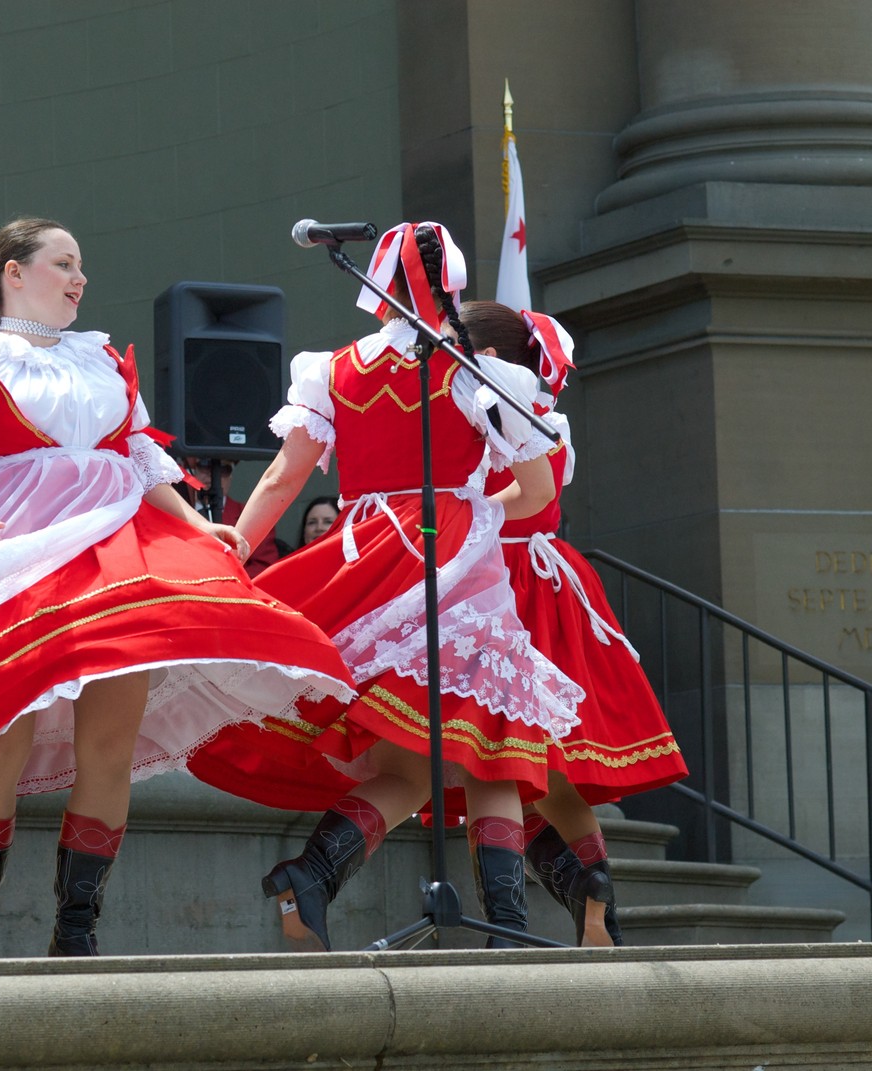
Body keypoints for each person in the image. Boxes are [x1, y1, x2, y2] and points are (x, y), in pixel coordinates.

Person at [0, 217, 354, 958]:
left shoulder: (103, 357)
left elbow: (142, 462)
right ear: (13, 272)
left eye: (82, 265)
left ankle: (76, 935)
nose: (79, 277)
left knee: (108, 748)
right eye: (63, 262)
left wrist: (200, 527)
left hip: (118, 554)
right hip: (18, 556)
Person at [187, 221, 584, 950]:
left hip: (365, 558)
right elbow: (533, 489)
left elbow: (283, 475)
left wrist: (239, 544)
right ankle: (506, 928)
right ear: (453, 288)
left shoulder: (334, 369)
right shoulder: (476, 368)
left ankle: (312, 872)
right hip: (455, 564)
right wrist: (476, 509)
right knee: (494, 742)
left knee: (409, 764)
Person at [459, 301, 687, 946]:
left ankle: (508, 929)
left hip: (498, 585)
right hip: (552, 581)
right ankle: (596, 896)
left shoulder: (481, 415)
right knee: (550, 774)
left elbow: (508, 502)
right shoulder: (552, 421)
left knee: (494, 761)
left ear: (490, 358)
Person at [177, 456, 281, 576]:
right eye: (204, 466)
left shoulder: (253, 514)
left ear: (231, 475)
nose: (212, 474)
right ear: (193, 470)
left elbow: (264, 566)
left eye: (224, 470)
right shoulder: (175, 511)